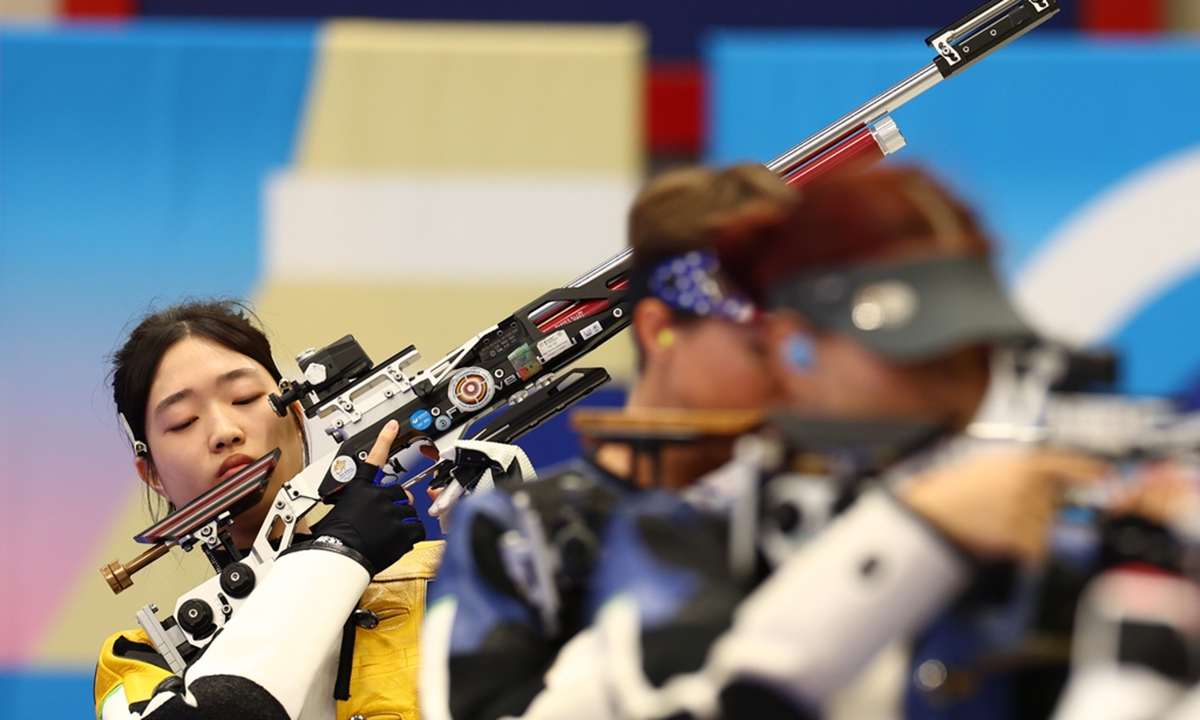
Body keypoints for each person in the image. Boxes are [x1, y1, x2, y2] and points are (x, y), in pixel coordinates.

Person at [419, 163, 796, 720]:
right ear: (658, 330)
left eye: (806, 341)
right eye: (758, 346)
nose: (794, 371)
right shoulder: (515, 533)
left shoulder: (806, 506)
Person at [95, 300, 433, 720]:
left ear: (297, 414)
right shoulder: (138, 663)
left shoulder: (442, 573)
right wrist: (337, 553)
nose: (224, 432)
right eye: (183, 421)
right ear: (152, 474)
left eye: (245, 398)